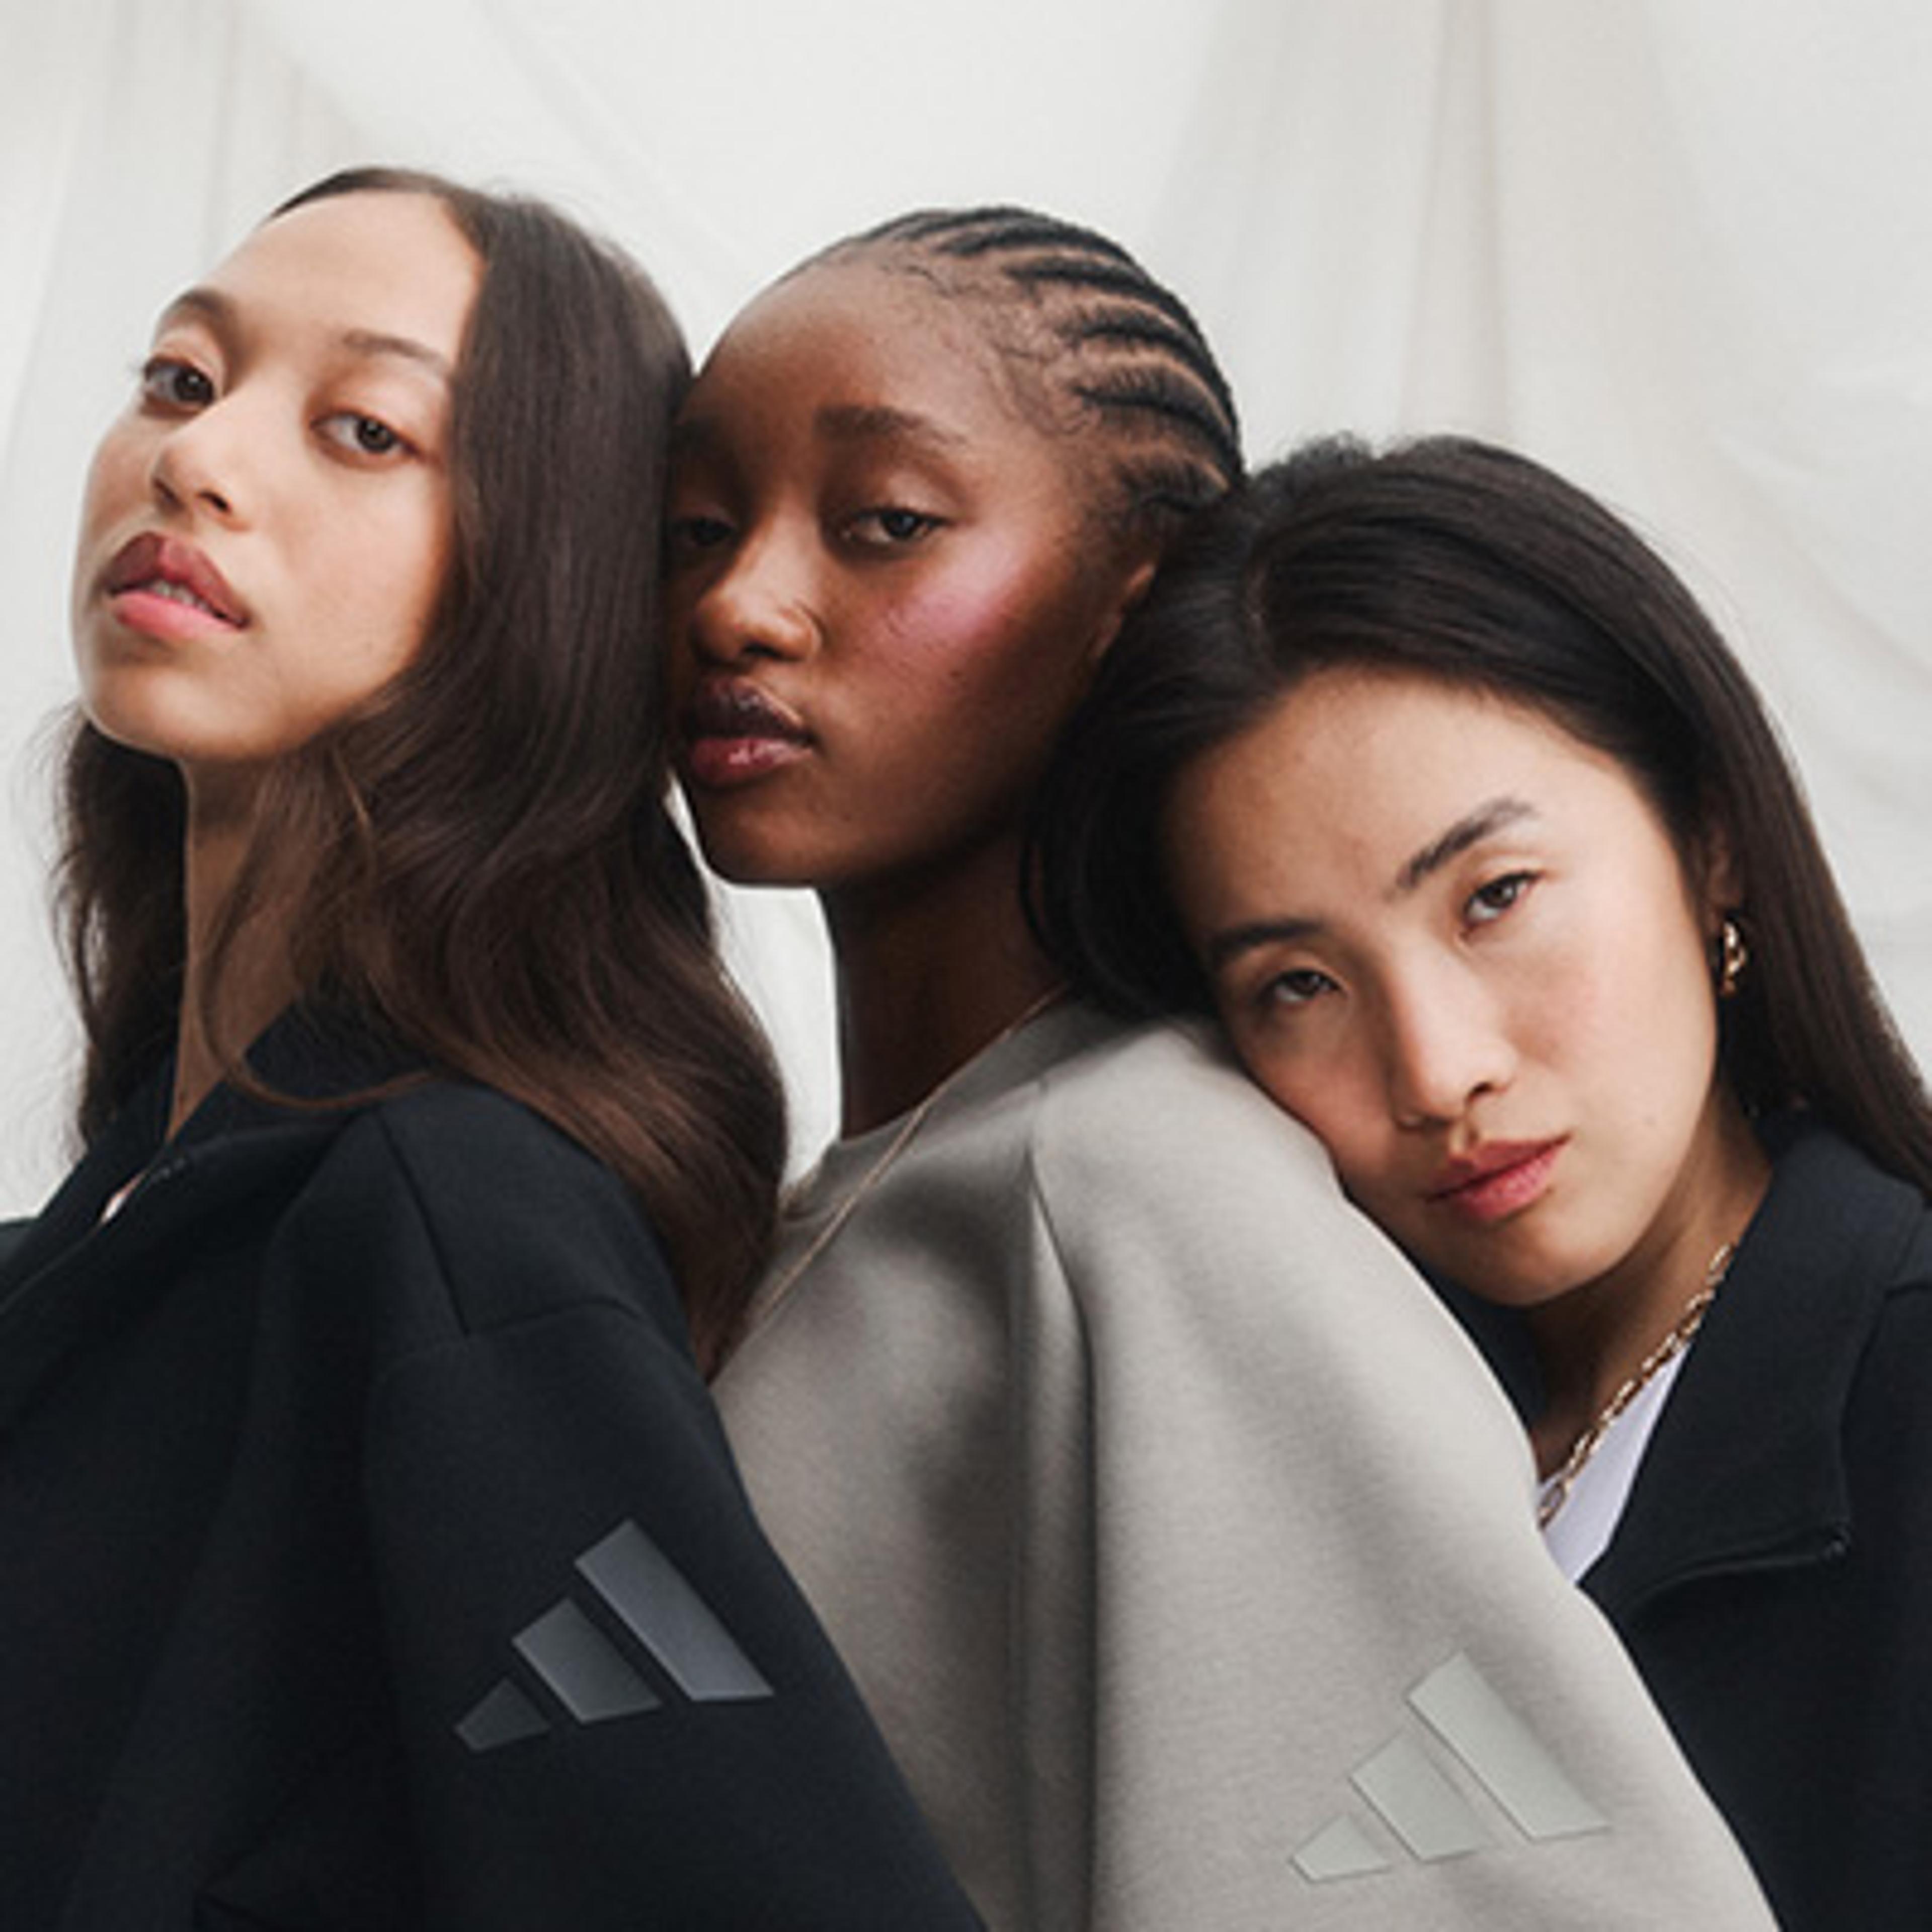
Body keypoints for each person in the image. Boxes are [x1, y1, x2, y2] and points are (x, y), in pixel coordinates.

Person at [667, 210, 1775, 1928]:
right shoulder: (882, 1186)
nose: (738, 604)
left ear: (1136, 606)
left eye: (885, 523)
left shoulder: (1141, 1179)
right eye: (693, 531)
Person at [0, 165, 985, 1929]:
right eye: (179, 377)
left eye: (365, 430)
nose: (198, 458)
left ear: (543, 564)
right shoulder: (106, 1235)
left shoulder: (453, 1218)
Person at [1032, 431, 1932, 1928]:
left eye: (1495, 898)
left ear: (1710, 839)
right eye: (1300, 984)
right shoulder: (1322, 1431)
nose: (1437, 1071)